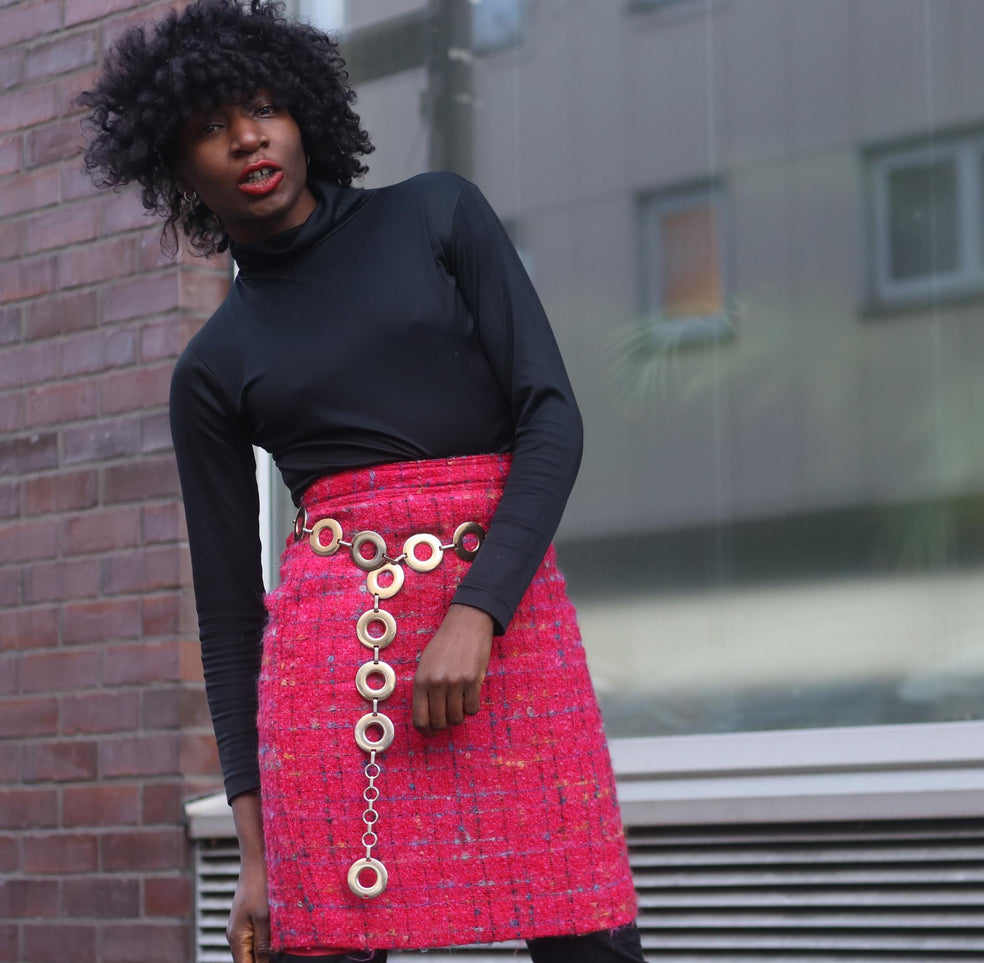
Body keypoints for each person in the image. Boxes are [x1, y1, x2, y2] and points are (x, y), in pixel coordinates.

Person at [73, 2, 646, 961]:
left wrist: (478, 610)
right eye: (209, 128)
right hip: (333, 670)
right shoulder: (211, 367)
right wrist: (255, 857)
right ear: (177, 169)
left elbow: (552, 417)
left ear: (303, 114)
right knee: (328, 943)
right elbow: (227, 616)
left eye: (261, 108)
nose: (246, 138)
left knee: (589, 937)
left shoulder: (438, 214)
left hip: (506, 626)